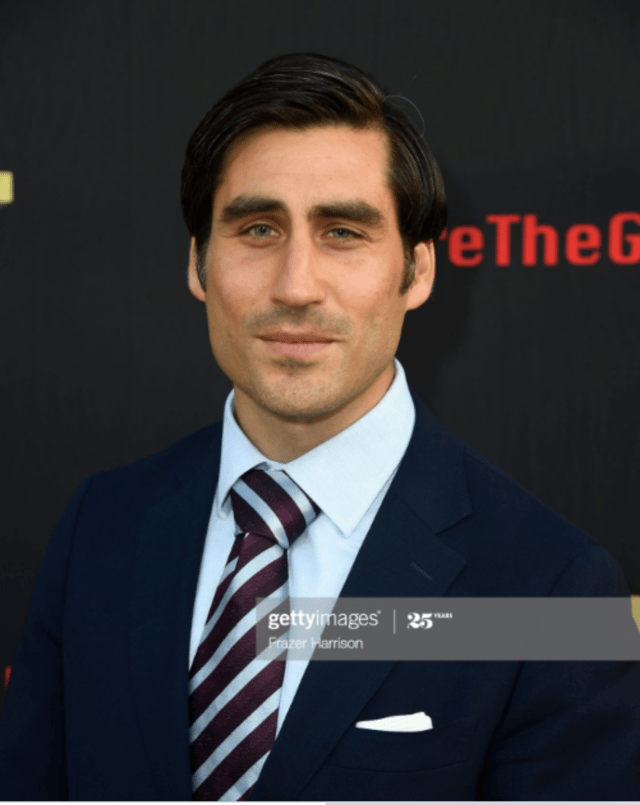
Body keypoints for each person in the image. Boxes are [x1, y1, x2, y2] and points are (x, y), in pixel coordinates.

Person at [1, 52, 639, 802]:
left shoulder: (554, 592)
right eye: (259, 228)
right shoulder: (99, 527)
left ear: (420, 269)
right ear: (198, 263)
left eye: (343, 232)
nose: (296, 285)